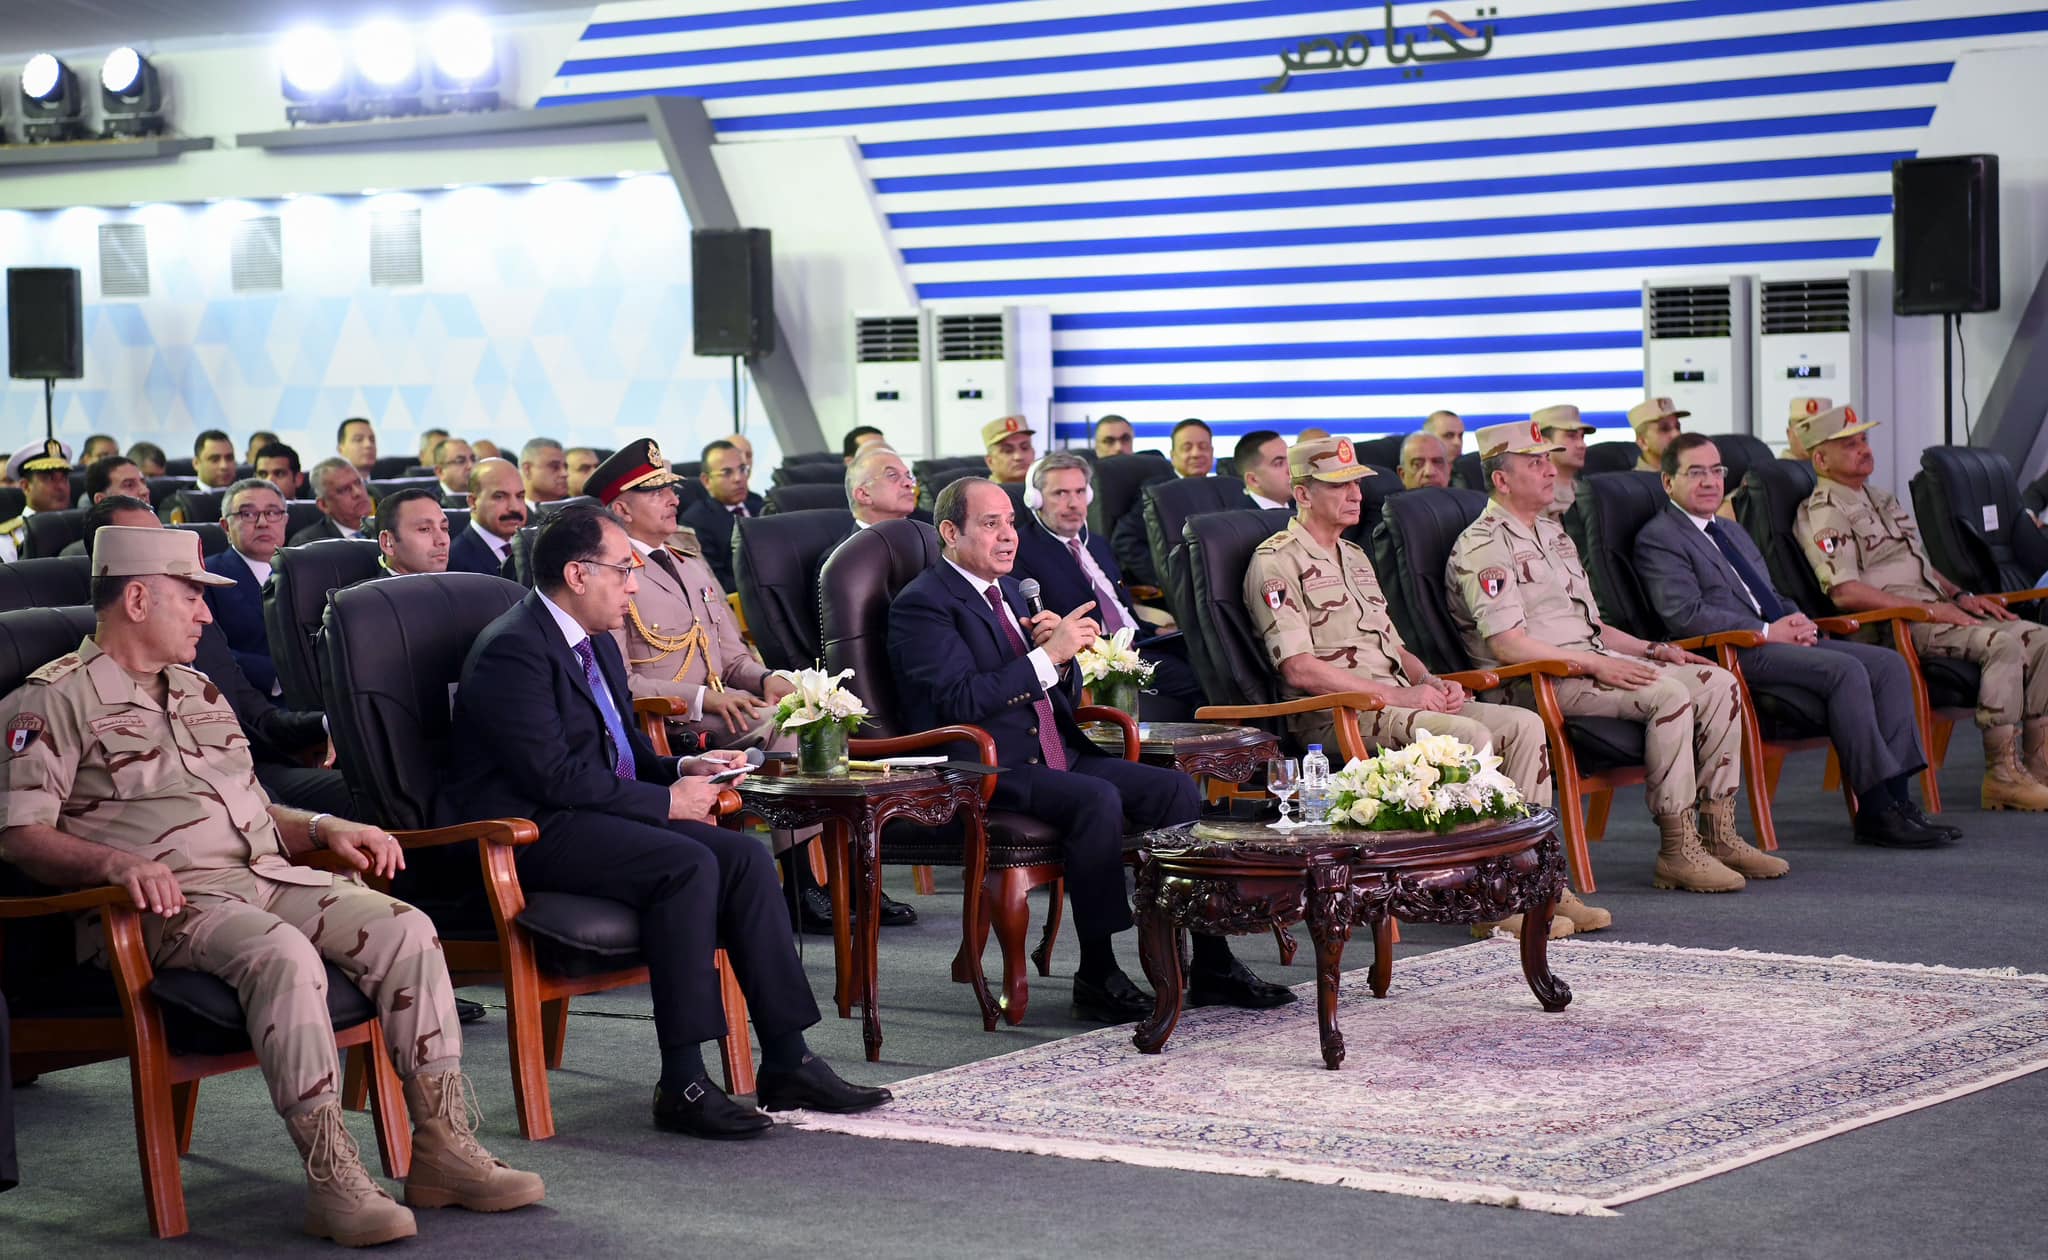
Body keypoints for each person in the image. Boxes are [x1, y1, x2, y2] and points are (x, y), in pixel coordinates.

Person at [0, 525, 543, 1246]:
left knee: (406, 926)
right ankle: (333, 1177)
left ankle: (445, 1150)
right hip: (162, 904)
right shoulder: (51, 702)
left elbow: (250, 808)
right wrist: (115, 865)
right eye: (191, 596)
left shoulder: (196, 689)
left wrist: (321, 826)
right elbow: (19, 835)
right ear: (136, 599)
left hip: (264, 875)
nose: (206, 613)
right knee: (281, 953)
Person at [439, 506, 890, 1136]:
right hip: (531, 831)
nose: (633, 585)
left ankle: (790, 1060)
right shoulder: (514, 649)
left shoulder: (594, 639)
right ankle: (683, 1080)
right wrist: (667, 803)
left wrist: (685, 766)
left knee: (746, 859)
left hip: (588, 813)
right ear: (577, 574)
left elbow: (621, 754)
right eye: (623, 571)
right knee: (687, 862)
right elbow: (553, 777)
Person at [890, 477, 1292, 1019]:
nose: (1008, 536)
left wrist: (1061, 660)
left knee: (1174, 788)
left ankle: (1213, 961)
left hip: (1056, 750)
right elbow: (958, 699)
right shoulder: (924, 605)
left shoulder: (1009, 593)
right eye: (990, 524)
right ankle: (1097, 971)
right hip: (985, 765)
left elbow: (1061, 694)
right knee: (1096, 798)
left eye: (1010, 522)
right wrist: (1044, 657)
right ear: (949, 531)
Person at [1245, 436, 1591, 939]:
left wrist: (1430, 681)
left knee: (1522, 725)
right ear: (1302, 493)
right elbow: (1299, 669)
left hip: (1395, 702)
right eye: (1338, 486)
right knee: (1468, 737)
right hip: (1338, 714)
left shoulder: (1353, 555)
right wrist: (1401, 696)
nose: (1355, 494)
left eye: (1357, 484)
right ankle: (1489, 897)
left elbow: (1394, 646)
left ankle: (1533, 882)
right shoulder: (1276, 561)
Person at [595, 441, 913, 933]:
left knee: (820, 713)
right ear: (621, 508)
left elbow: (733, 655)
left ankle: (850, 875)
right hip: (671, 717)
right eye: (656, 491)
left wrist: (769, 679)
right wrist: (705, 697)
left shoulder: (687, 559)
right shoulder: (614, 575)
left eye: (670, 488)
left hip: (730, 706)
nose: (673, 498)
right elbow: (618, 680)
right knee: (795, 730)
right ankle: (801, 884)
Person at [1449, 420, 1758, 894]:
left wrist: (1651, 649)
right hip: (1536, 681)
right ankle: (1678, 849)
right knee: (1667, 694)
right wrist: (1597, 664)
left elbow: (1592, 627)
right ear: (1501, 479)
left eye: (1548, 460)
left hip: (1590, 664)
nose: (1549, 470)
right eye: (1535, 463)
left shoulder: (1553, 534)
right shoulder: (1483, 544)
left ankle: (1719, 832)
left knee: (1717, 682)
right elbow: (1507, 644)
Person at [1634, 433, 1955, 848]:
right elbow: (1685, 615)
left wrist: (1796, 619)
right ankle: (1876, 810)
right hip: (1731, 651)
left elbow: (1767, 593)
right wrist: (1769, 632)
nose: (1710, 481)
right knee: (1846, 670)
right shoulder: (1660, 538)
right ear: (1668, 482)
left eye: (1716, 471)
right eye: (1696, 473)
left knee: (1889, 664)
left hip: (1775, 638)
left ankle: (1899, 801)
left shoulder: (1730, 530)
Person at [1792, 404, 2048, 810]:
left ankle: (2038, 766)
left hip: (1935, 611)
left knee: (2041, 638)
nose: (1864, 449)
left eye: (1863, 439)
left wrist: (1959, 596)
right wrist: (1928, 611)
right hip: (1897, 626)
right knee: (2004, 644)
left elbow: (1920, 566)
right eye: (1850, 445)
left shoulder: (1880, 498)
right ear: (1821, 459)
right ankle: (2002, 776)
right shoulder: (1824, 511)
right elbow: (1845, 592)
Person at [1011, 452, 1205, 721]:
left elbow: (1120, 610)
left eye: (1080, 492)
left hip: (1139, 641)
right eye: (1060, 493)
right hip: (1094, 655)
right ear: (1036, 499)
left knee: (1208, 653)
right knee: (1200, 678)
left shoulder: (1097, 544)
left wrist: (1156, 630)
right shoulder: (1023, 551)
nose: (1073, 503)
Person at [205, 479, 291, 696]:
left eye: (272, 513)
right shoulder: (207, 576)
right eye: (248, 514)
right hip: (249, 697)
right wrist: (278, 677)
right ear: (225, 526)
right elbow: (208, 651)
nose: (263, 523)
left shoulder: (306, 571)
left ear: (285, 520)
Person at [678, 438, 763, 591]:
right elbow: (714, 580)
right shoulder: (696, 521)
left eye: (742, 469)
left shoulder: (759, 503)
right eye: (727, 472)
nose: (738, 478)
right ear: (706, 481)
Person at [1, 439, 75, 564]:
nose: (61, 486)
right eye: (49, 478)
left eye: (64, 478)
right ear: (25, 486)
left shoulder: (79, 527)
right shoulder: (8, 540)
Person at [449, 458, 527, 576]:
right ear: (473, 502)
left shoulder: (533, 549)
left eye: (520, 496)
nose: (515, 508)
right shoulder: (455, 561)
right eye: (500, 496)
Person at [290, 458, 373, 544]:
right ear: (323, 505)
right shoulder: (309, 544)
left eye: (358, 482)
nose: (358, 492)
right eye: (344, 489)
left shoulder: (381, 526)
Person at [1535, 404, 1595, 519]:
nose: (1582, 445)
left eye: (1582, 437)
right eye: (1571, 436)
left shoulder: (1588, 490)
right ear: (1545, 443)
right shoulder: (1535, 495)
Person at [375, 486, 451, 575]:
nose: (442, 541)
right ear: (387, 543)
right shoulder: (374, 587)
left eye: (444, 528)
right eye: (424, 529)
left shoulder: (459, 583)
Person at [846, 445, 919, 529]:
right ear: (864, 494)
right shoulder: (855, 539)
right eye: (892, 475)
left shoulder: (927, 532)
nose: (909, 483)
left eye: (908, 476)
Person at [1234, 430, 1293, 510]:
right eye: (1279, 463)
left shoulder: (1303, 506)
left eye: (1291, 458)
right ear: (1253, 480)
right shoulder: (1239, 516)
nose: (1291, 469)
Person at [1629, 397, 1686, 473]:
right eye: (1664, 429)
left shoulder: (1687, 472)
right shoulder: (1631, 480)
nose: (1677, 434)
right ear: (1643, 442)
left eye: (1678, 427)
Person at [982, 415, 1037, 485]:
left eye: (1025, 448)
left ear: (1033, 452)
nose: (1018, 457)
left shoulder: (1045, 488)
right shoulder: (983, 491)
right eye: (1008, 451)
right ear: (990, 462)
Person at [519, 438, 569, 511]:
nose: (565, 474)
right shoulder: (513, 513)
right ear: (527, 469)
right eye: (555, 467)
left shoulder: (577, 511)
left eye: (566, 467)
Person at [433, 437, 475, 502]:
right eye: (460, 461)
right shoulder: (428, 501)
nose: (471, 466)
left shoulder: (483, 496)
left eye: (473, 459)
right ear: (440, 472)